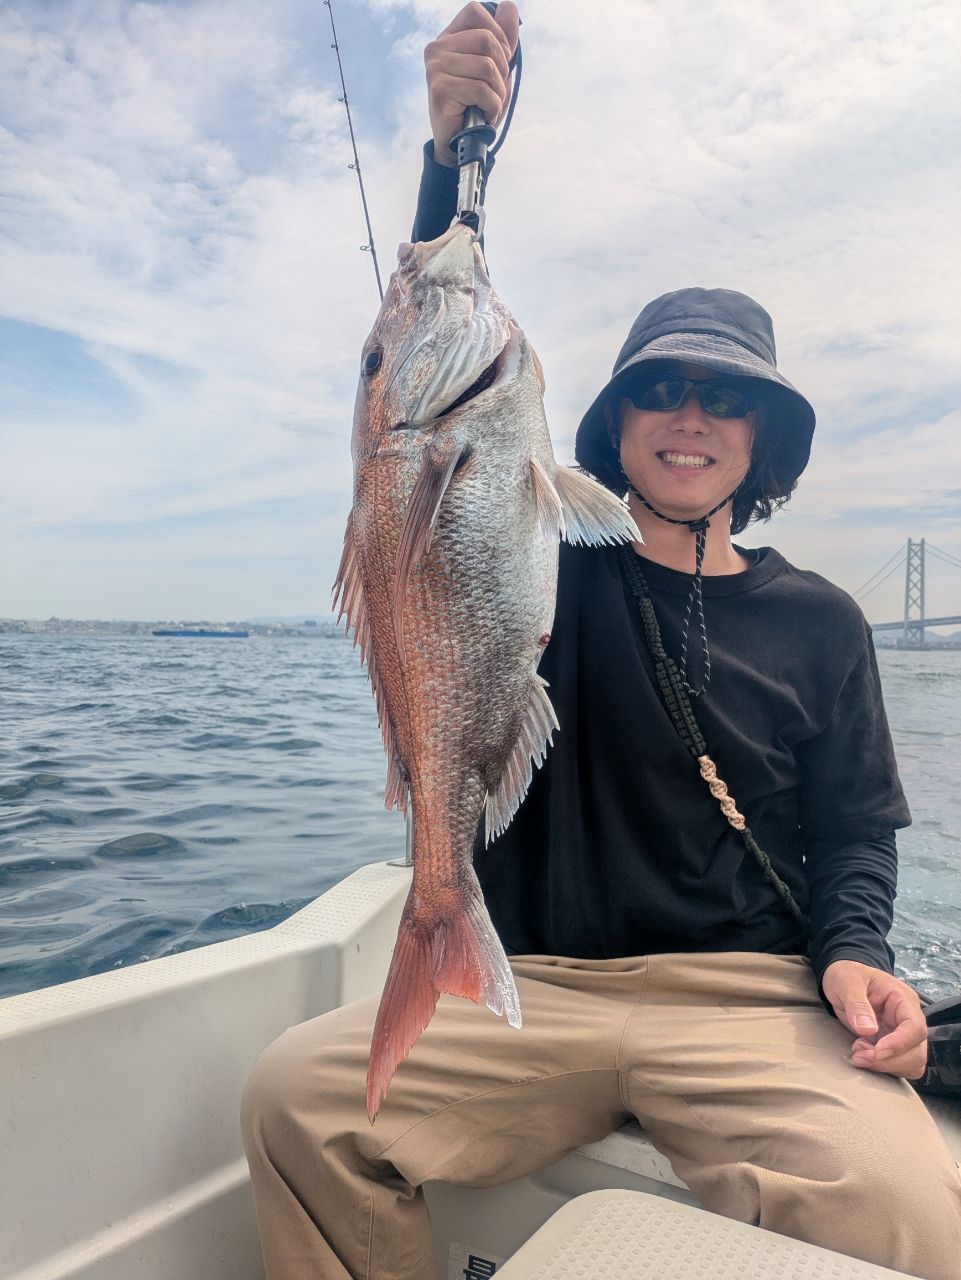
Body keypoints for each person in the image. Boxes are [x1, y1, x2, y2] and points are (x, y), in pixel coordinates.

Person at [240, 5, 961, 1277]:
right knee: (298, 1104)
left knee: (916, 1210)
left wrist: (853, 956)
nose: (690, 417)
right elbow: (425, 474)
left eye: (724, 397)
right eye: (660, 390)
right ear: (611, 421)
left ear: (763, 441)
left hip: (746, 999)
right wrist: (449, 161)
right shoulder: (547, 545)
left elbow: (853, 831)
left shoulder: (821, 621)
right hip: (541, 984)